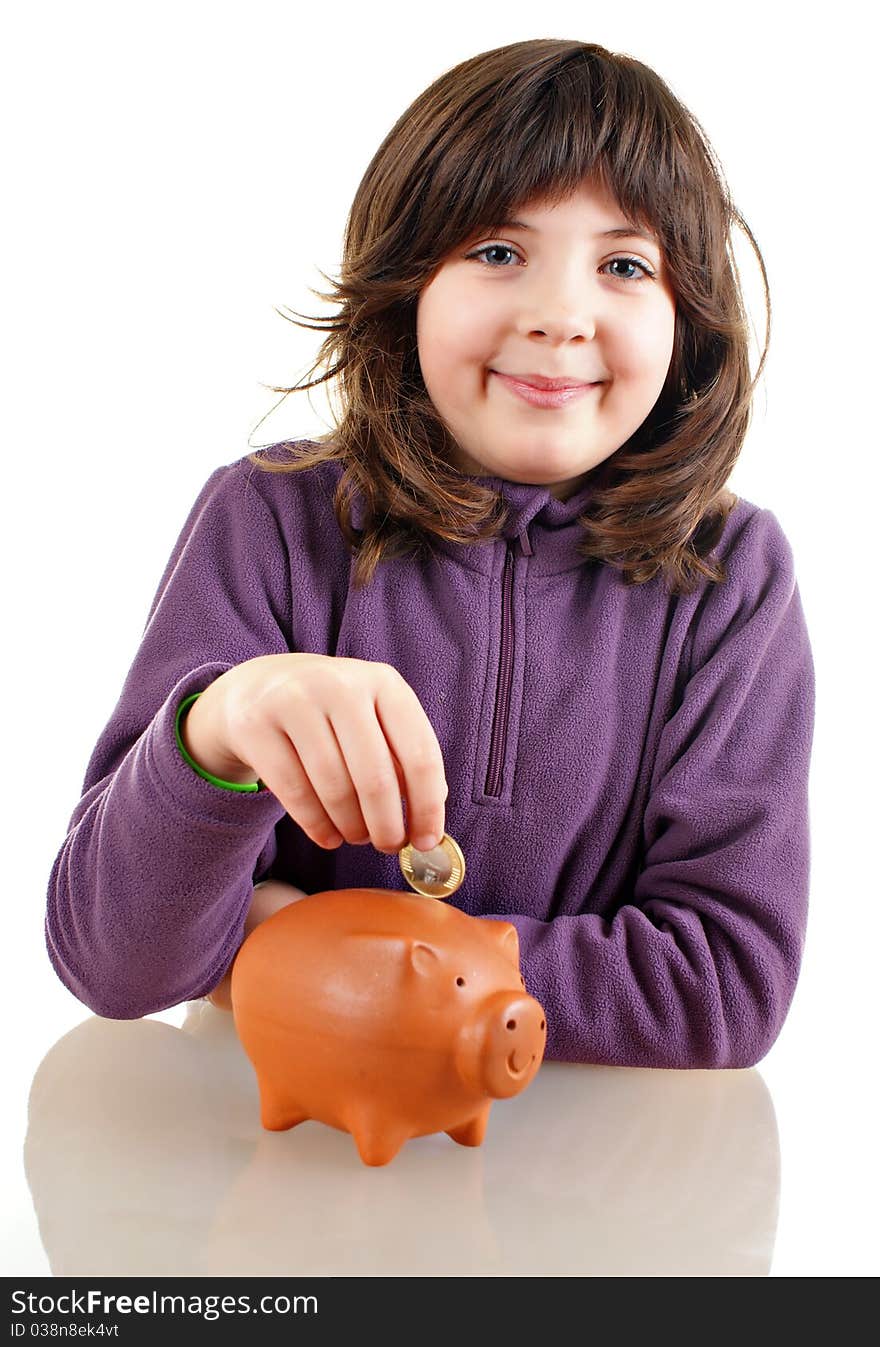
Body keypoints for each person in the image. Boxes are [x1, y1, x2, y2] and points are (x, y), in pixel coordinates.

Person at [44, 38, 815, 1069]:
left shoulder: (731, 576)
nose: (557, 317)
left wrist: (298, 943)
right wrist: (219, 728)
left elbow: (718, 990)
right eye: (497, 252)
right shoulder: (267, 521)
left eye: (624, 265)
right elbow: (116, 965)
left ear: (689, 318)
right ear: (408, 284)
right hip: (278, 1165)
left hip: (598, 1197)